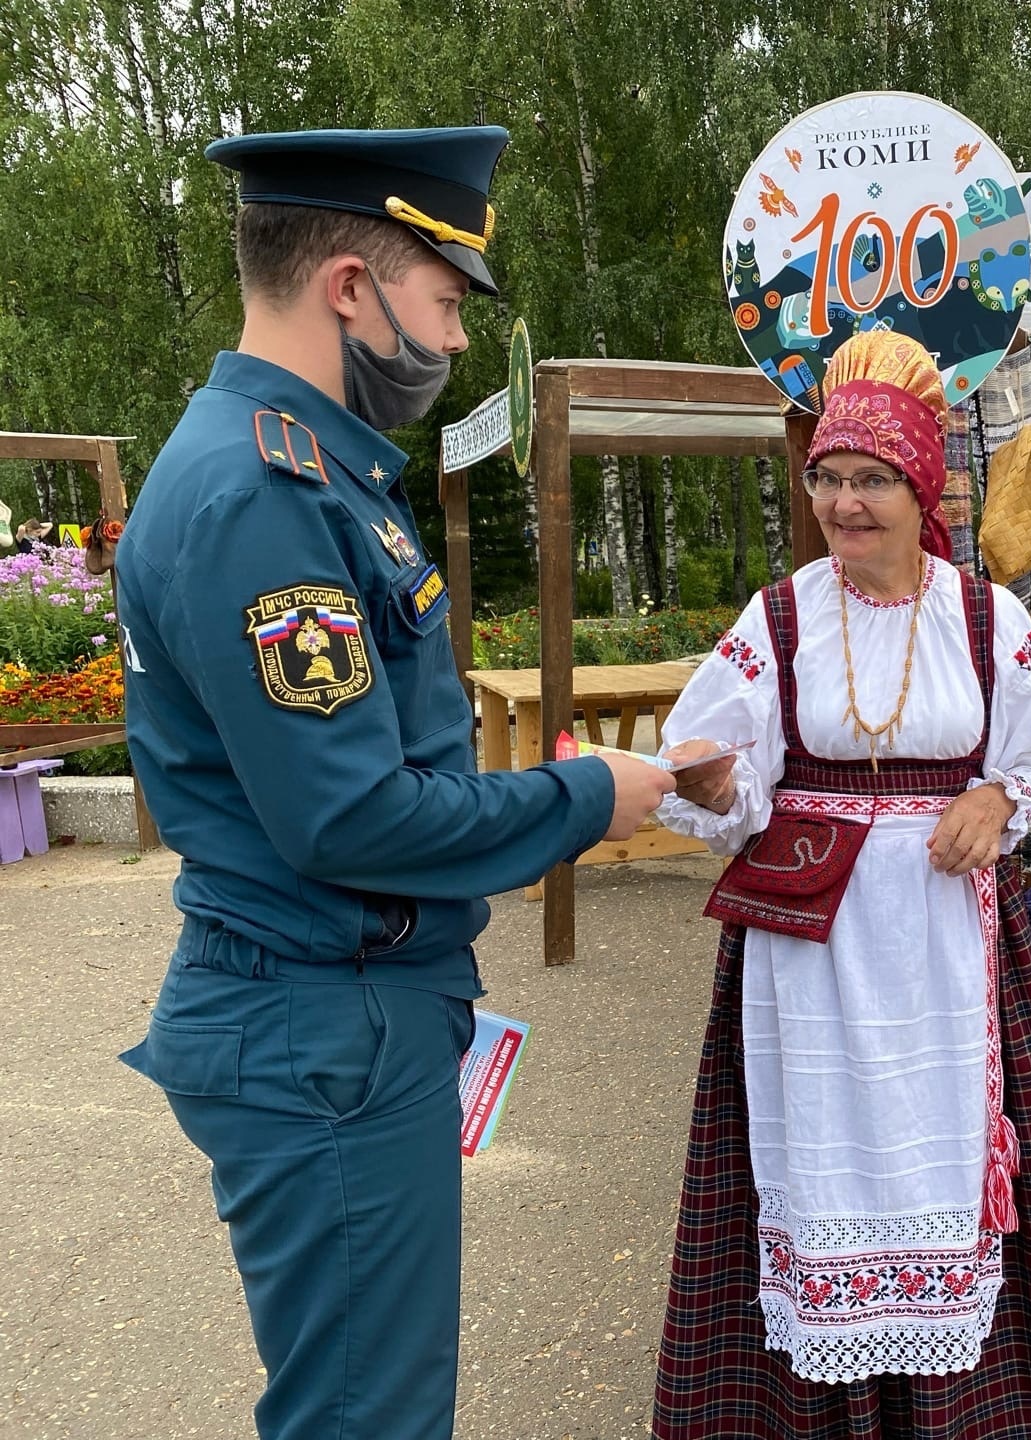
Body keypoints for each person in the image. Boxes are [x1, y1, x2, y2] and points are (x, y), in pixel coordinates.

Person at [112, 127, 679, 1440]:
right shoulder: (264, 494)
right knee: (369, 1419)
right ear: (351, 288)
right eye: (444, 302)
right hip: (324, 1025)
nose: (459, 342)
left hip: (337, 1011)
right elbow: (350, 815)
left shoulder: (299, 468)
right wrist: (591, 798)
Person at [649, 330, 1031, 1437]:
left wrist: (999, 798)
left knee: (941, 1167)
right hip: (812, 948)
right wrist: (708, 782)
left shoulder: (985, 616)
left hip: (950, 943)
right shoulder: (782, 618)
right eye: (828, 480)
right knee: (823, 1158)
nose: (845, 506)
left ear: (919, 486)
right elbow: (715, 765)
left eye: (871, 481)